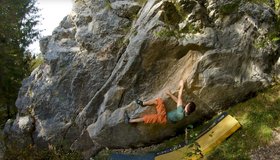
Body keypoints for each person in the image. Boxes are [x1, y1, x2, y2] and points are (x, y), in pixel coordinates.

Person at [125, 80, 196, 124]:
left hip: (163, 118)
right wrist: (170, 95)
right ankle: (143, 104)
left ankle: (130, 121)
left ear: (187, 108)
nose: (186, 104)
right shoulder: (186, 113)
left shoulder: (181, 111)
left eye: (187, 104)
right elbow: (178, 102)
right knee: (159, 101)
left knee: (148, 118)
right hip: (166, 117)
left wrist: (182, 85)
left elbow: (179, 97)